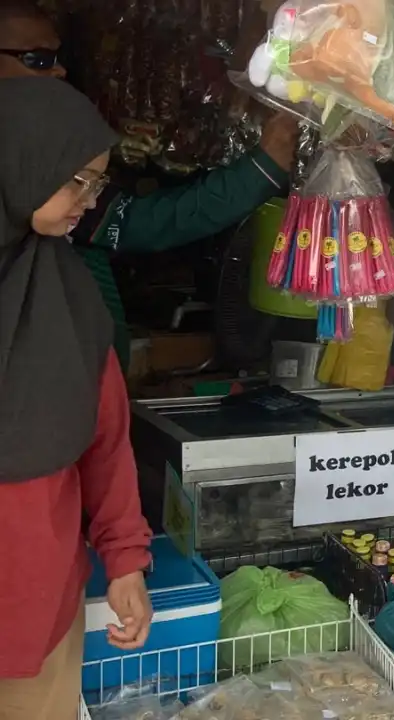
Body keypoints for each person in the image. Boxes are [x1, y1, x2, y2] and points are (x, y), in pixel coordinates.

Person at [0, 0, 299, 365]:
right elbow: (139, 223)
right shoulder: (37, 171)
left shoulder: (49, 151)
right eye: (38, 60)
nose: (60, 71)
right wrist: (260, 172)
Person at [0, 77, 154, 718]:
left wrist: (125, 561)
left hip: (38, 604)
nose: (89, 202)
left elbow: (107, 441)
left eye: (96, 184)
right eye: (77, 182)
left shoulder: (69, 297)